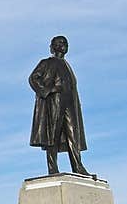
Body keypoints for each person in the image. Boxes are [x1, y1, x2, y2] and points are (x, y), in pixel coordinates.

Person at [29, 35, 91, 176]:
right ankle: (52, 167)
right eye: (61, 43)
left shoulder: (67, 65)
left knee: (73, 134)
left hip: (69, 102)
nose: (64, 45)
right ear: (53, 46)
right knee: (53, 134)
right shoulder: (46, 63)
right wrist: (47, 90)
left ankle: (78, 167)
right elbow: (33, 78)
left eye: (65, 43)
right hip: (54, 101)